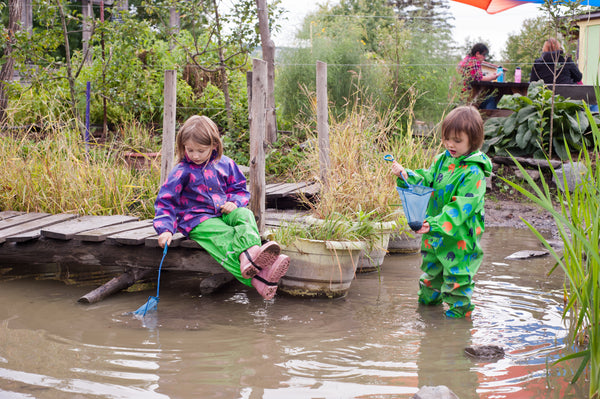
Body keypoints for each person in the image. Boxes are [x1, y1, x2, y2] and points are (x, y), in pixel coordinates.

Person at [153, 115, 289, 300]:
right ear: (183, 146)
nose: (195, 155)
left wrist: (234, 202)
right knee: (226, 236)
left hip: (224, 212)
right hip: (197, 220)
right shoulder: (181, 171)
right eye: (190, 149)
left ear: (214, 145)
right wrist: (165, 229)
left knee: (245, 215)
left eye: (201, 150)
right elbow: (166, 201)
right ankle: (259, 278)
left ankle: (251, 255)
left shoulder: (225, 164)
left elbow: (240, 189)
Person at [390, 106, 492, 318]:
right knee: (430, 280)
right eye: (446, 138)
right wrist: (407, 174)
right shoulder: (442, 160)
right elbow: (427, 179)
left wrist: (434, 223)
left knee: (458, 285)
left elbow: (461, 206)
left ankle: (456, 335)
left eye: (457, 140)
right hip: (435, 236)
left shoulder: (474, 173)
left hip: (459, 240)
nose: (449, 144)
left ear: (473, 140)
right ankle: (428, 326)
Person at [457, 43, 501, 109]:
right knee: (490, 99)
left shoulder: (465, 60)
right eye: (484, 55)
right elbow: (478, 78)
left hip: (459, 95)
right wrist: (492, 77)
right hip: (469, 95)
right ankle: (489, 118)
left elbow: (474, 77)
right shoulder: (475, 62)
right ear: (477, 54)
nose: (485, 57)